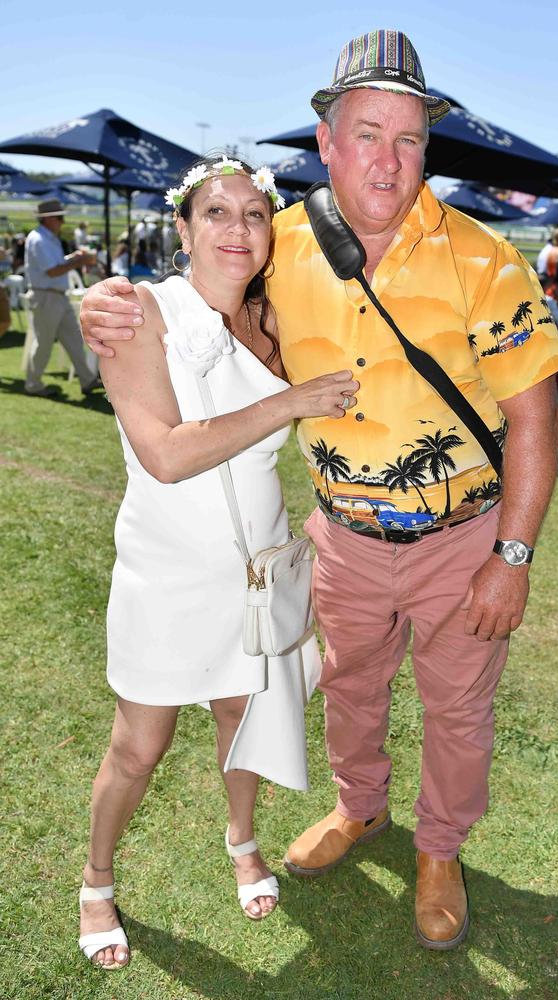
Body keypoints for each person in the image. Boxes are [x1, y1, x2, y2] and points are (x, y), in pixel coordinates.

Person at [80, 29, 558, 951]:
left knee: (458, 704)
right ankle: (360, 809)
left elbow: (535, 416)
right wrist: (117, 301)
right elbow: (203, 301)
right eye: (369, 132)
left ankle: (439, 851)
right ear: (327, 143)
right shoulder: (280, 244)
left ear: (428, 146)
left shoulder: (486, 259)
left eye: (410, 137)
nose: (389, 158)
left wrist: (513, 554)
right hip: (341, 536)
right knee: (348, 688)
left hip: (462, 533)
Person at [76, 155, 359, 971]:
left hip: (259, 571)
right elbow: (164, 454)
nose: (238, 230)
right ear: (183, 228)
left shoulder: (282, 322)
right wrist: (288, 402)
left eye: (255, 214)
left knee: (244, 717)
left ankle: (243, 840)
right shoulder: (138, 313)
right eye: (216, 213)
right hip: (167, 573)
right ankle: (97, 877)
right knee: (140, 744)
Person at [23, 199, 101, 397]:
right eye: (59, 217)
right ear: (48, 219)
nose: (62, 221)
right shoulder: (39, 239)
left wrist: (73, 258)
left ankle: (87, 380)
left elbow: (56, 264)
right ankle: (33, 384)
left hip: (56, 296)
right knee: (43, 342)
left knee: (74, 339)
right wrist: (79, 261)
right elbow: (52, 271)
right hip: (46, 296)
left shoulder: (48, 238)